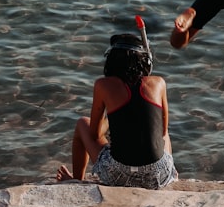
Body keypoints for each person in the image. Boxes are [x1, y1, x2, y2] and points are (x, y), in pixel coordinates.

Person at [56, 33, 178, 189]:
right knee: (164, 132)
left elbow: (95, 135)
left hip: (118, 176)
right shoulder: (159, 83)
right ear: (146, 61)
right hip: (156, 177)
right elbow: (162, 131)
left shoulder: (102, 85)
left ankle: (76, 181)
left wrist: (112, 116)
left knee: (82, 124)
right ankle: (171, 173)